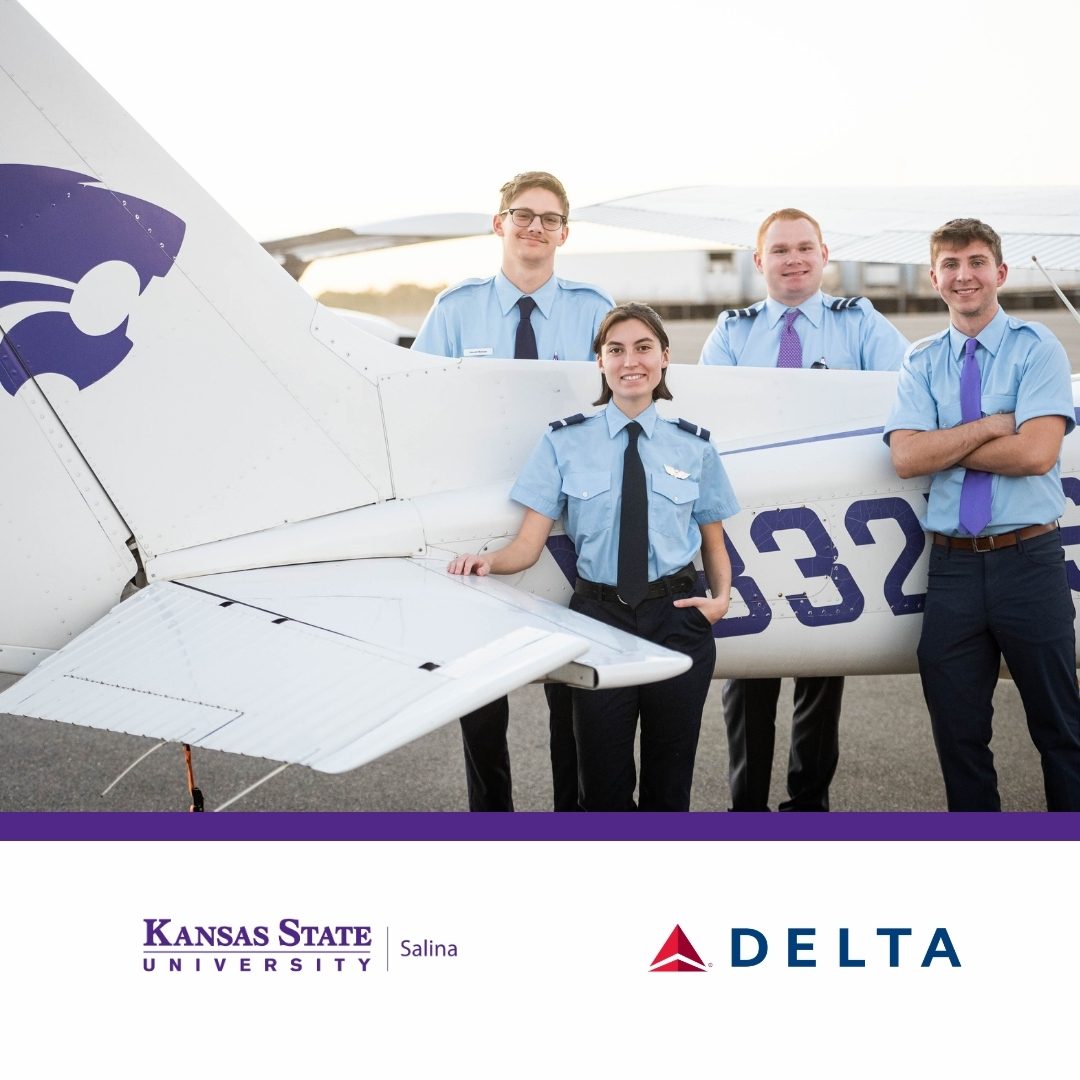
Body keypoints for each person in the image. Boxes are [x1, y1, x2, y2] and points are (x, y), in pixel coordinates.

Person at [448, 303, 741, 811]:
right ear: (600, 363)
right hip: (597, 620)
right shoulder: (564, 442)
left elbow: (714, 543)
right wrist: (487, 562)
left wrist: (720, 601)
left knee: (669, 789)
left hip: (676, 620)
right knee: (601, 789)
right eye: (616, 349)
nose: (632, 360)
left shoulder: (694, 446)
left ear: (665, 358)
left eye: (644, 348)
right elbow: (527, 546)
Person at [413, 171, 614, 812]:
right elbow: (424, 411)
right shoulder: (455, 309)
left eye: (549, 219)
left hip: (568, 520)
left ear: (564, 232)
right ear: (498, 224)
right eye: (523, 215)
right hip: (480, 513)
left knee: (570, 688)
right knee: (481, 690)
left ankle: (569, 820)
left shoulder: (592, 309)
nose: (535, 228)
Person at [699, 208, 910, 811]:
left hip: (827, 517)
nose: (794, 259)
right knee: (748, 676)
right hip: (748, 517)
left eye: (805, 248)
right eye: (781, 250)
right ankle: (747, 811)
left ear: (824, 256)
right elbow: (706, 425)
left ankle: (808, 809)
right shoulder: (733, 333)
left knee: (822, 667)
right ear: (759, 260)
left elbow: (907, 391)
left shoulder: (860, 323)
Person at [886, 218, 1080, 811]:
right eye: (950, 265)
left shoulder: (1036, 347)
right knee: (959, 736)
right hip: (951, 571)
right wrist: (997, 424)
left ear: (999, 272)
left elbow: (1036, 452)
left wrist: (948, 439)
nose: (963, 275)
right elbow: (906, 456)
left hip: (1029, 561)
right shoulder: (921, 361)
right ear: (934, 278)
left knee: (1061, 732)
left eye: (975, 262)